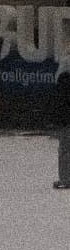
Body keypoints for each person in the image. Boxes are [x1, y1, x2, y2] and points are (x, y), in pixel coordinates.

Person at [53, 58, 70, 188]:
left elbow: (58, 103)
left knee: (64, 150)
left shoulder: (63, 81)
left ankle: (65, 179)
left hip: (65, 121)